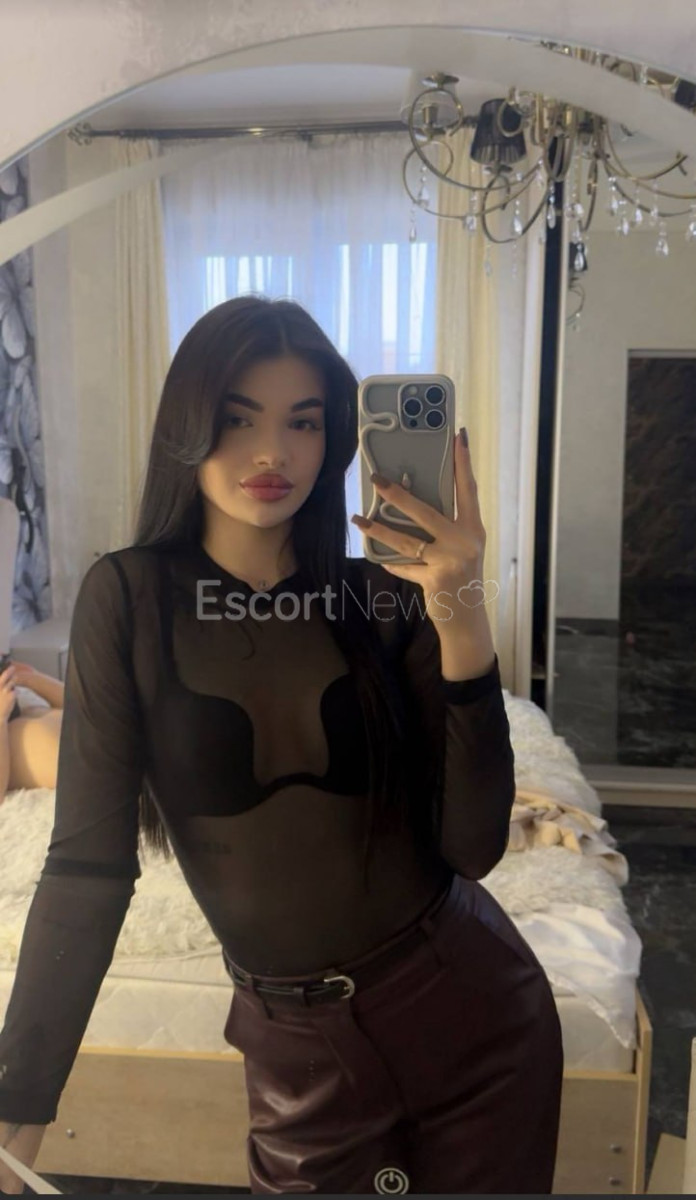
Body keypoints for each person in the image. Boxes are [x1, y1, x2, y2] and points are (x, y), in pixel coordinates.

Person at [0, 296, 563, 1195]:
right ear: (188, 429)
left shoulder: (387, 595)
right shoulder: (129, 599)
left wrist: (461, 610)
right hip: (299, 1057)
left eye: (303, 422)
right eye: (239, 419)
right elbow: (86, 870)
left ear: (334, 440)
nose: (273, 453)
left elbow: (473, 847)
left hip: (477, 1023)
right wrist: (18, 1103)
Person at [0, 662, 64, 799]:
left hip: (102, 733)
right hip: (97, 761)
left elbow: (83, 707)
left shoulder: (25, 705)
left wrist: (31, 678)